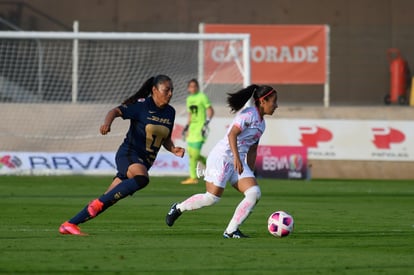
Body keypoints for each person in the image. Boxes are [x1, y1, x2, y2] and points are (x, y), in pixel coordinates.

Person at [59, 75, 185, 235]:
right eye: (166, 90)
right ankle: (96, 204)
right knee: (141, 179)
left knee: (109, 199)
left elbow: (164, 137)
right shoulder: (142, 106)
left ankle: (69, 224)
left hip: (144, 162)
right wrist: (107, 124)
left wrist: (173, 149)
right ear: (154, 90)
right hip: (128, 155)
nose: (170, 93)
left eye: (172, 90)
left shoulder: (170, 112)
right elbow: (116, 111)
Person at [166, 84, 278, 238]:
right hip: (222, 158)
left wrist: (249, 171)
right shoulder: (248, 115)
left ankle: (231, 230)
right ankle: (178, 208)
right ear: (263, 101)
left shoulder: (262, 124)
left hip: (237, 162)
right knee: (211, 198)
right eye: (274, 101)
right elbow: (232, 135)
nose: (276, 105)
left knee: (254, 193)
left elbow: (253, 149)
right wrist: (237, 158)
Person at [181, 79, 214, 185]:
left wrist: (206, 123)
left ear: (197, 87)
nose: (193, 88)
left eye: (195, 86)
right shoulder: (189, 99)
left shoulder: (202, 97)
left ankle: (193, 177)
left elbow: (210, 110)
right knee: (191, 154)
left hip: (200, 129)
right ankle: (210, 165)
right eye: (191, 86)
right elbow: (190, 114)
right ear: (188, 88)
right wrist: (187, 126)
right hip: (192, 129)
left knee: (194, 155)